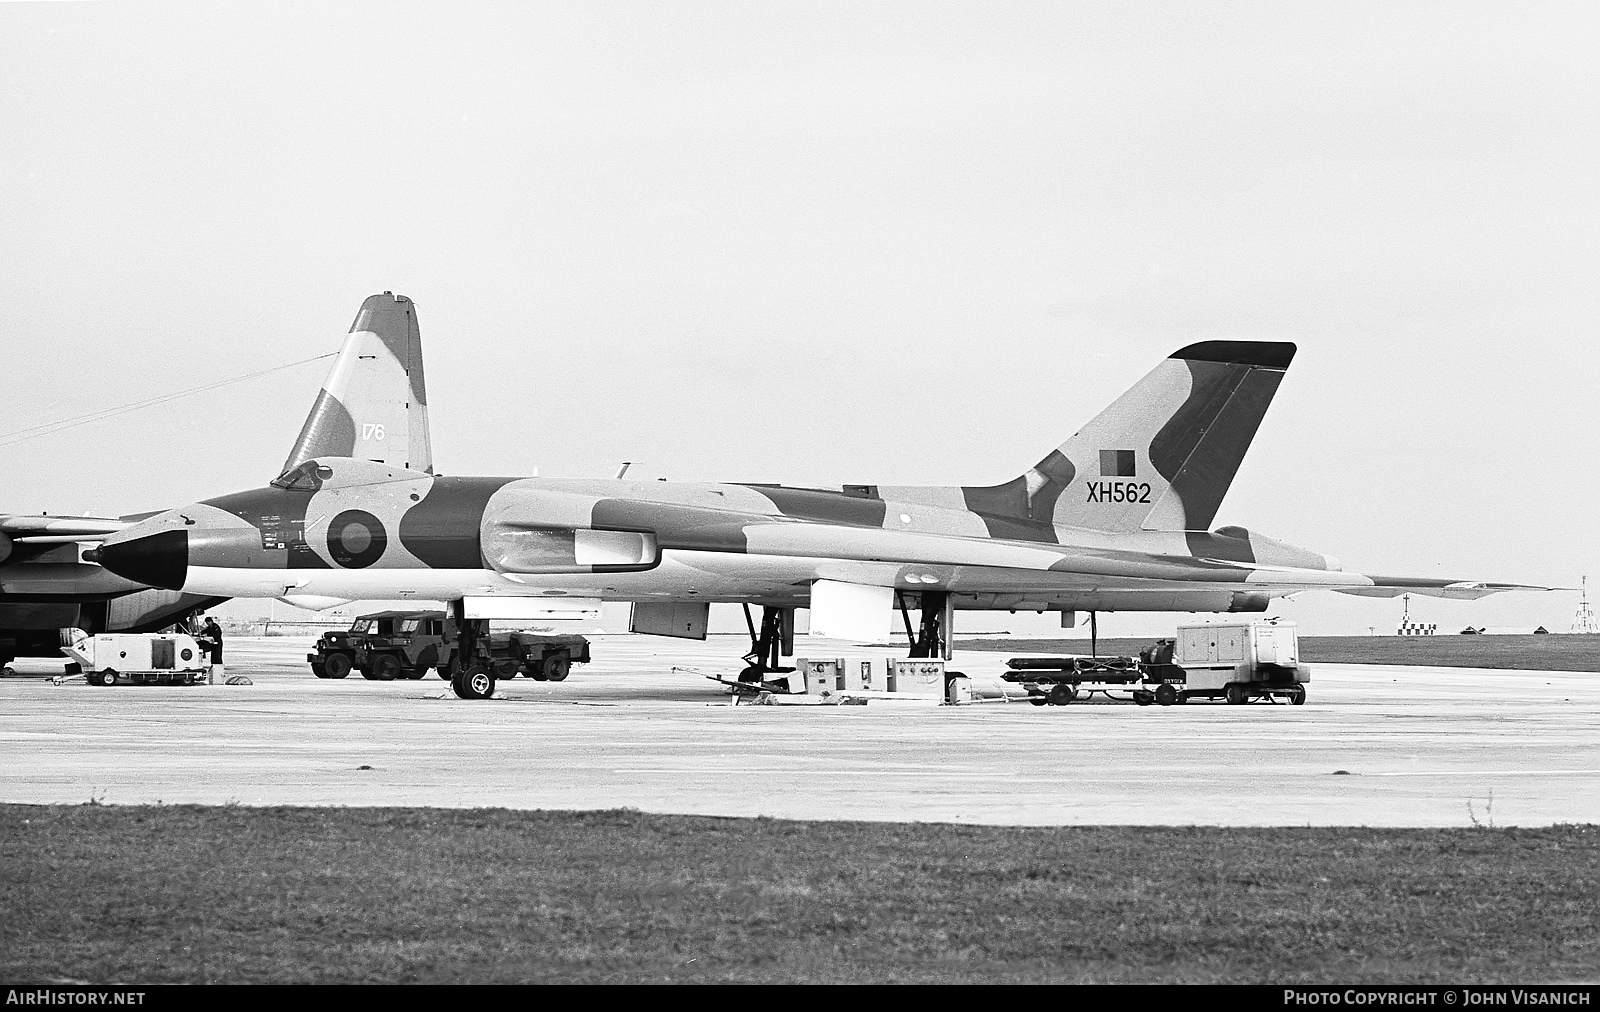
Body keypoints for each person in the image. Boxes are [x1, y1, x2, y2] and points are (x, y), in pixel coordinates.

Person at [198, 616, 224, 684]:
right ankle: (214, 669)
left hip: (217, 643)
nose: (207, 624)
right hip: (213, 643)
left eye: (208, 622)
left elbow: (217, 634)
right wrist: (200, 633)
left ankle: (218, 671)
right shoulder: (210, 627)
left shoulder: (215, 627)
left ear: (210, 621)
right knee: (213, 657)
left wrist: (209, 635)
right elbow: (205, 631)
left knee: (217, 656)